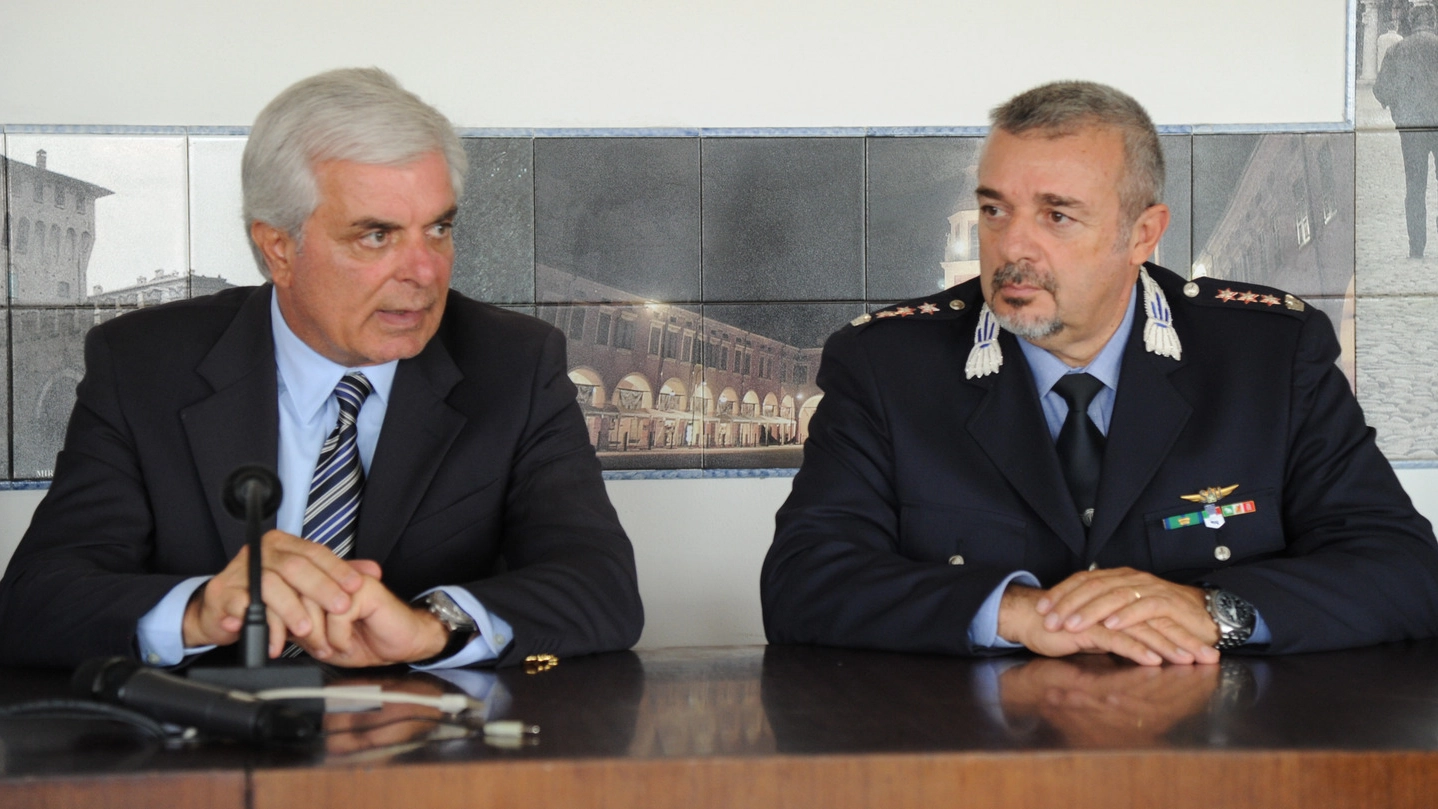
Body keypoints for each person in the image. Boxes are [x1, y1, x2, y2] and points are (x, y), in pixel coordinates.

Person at [761, 80, 1438, 665]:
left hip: (1216, 757)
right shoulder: (887, 367)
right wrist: (1018, 612)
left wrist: (1218, 611)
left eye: (1057, 215)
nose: (1012, 247)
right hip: (977, 761)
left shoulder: (1267, 357)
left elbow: (1403, 570)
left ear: (1143, 234)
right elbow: (804, 581)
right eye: (996, 210)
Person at [0, 68, 643, 670]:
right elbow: (36, 601)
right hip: (212, 762)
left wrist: (433, 626)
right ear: (278, 248)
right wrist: (200, 611)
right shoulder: (143, 363)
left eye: (439, 229)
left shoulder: (514, 363)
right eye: (377, 235)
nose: (425, 272)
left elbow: (601, 587)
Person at [1374, 2, 1438, 258]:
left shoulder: (1397, 50)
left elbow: (1380, 91)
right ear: (1432, 22)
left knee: (1415, 188)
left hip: (1412, 128)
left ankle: (1416, 249)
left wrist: (1399, 109)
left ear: (1411, 23)